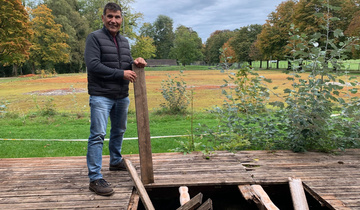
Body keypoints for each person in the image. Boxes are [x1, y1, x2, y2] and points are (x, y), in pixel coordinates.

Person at [84, 2, 147, 196]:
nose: (113, 20)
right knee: (98, 135)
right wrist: (121, 73)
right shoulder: (94, 38)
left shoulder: (125, 41)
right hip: (101, 96)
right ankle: (95, 178)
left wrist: (135, 62)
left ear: (121, 19)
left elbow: (122, 63)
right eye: (110, 16)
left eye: (117, 17)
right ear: (103, 18)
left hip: (121, 96)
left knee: (119, 130)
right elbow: (93, 65)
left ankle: (115, 161)